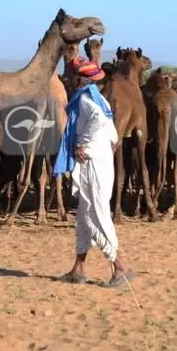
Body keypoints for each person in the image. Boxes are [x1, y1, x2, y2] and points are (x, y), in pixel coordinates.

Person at [53, 57, 134, 287]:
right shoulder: (101, 101)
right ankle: (78, 268)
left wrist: (83, 145)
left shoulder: (86, 99)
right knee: (84, 215)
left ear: (80, 79)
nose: (67, 80)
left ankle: (119, 265)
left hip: (92, 162)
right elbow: (113, 135)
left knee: (95, 213)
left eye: (71, 76)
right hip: (100, 159)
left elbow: (97, 121)